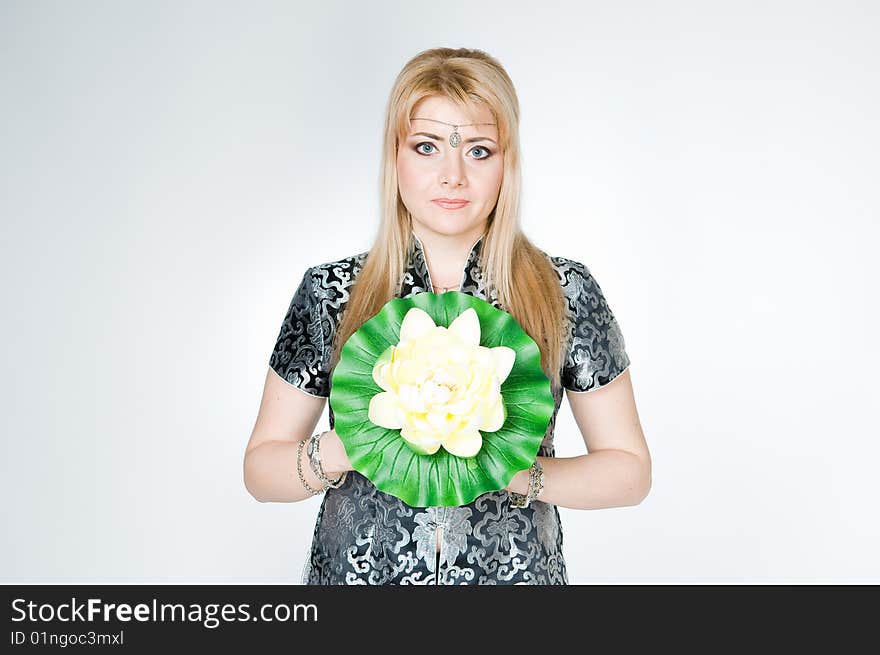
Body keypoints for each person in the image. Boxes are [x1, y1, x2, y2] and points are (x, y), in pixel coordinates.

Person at [243, 47, 651, 585]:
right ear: (395, 157)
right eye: (428, 147)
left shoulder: (562, 291)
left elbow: (629, 470)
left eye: (479, 150)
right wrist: (354, 446)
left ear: (508, 162)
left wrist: (519, 475)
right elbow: (261, 469)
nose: (452, 175)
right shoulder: (332, 293)